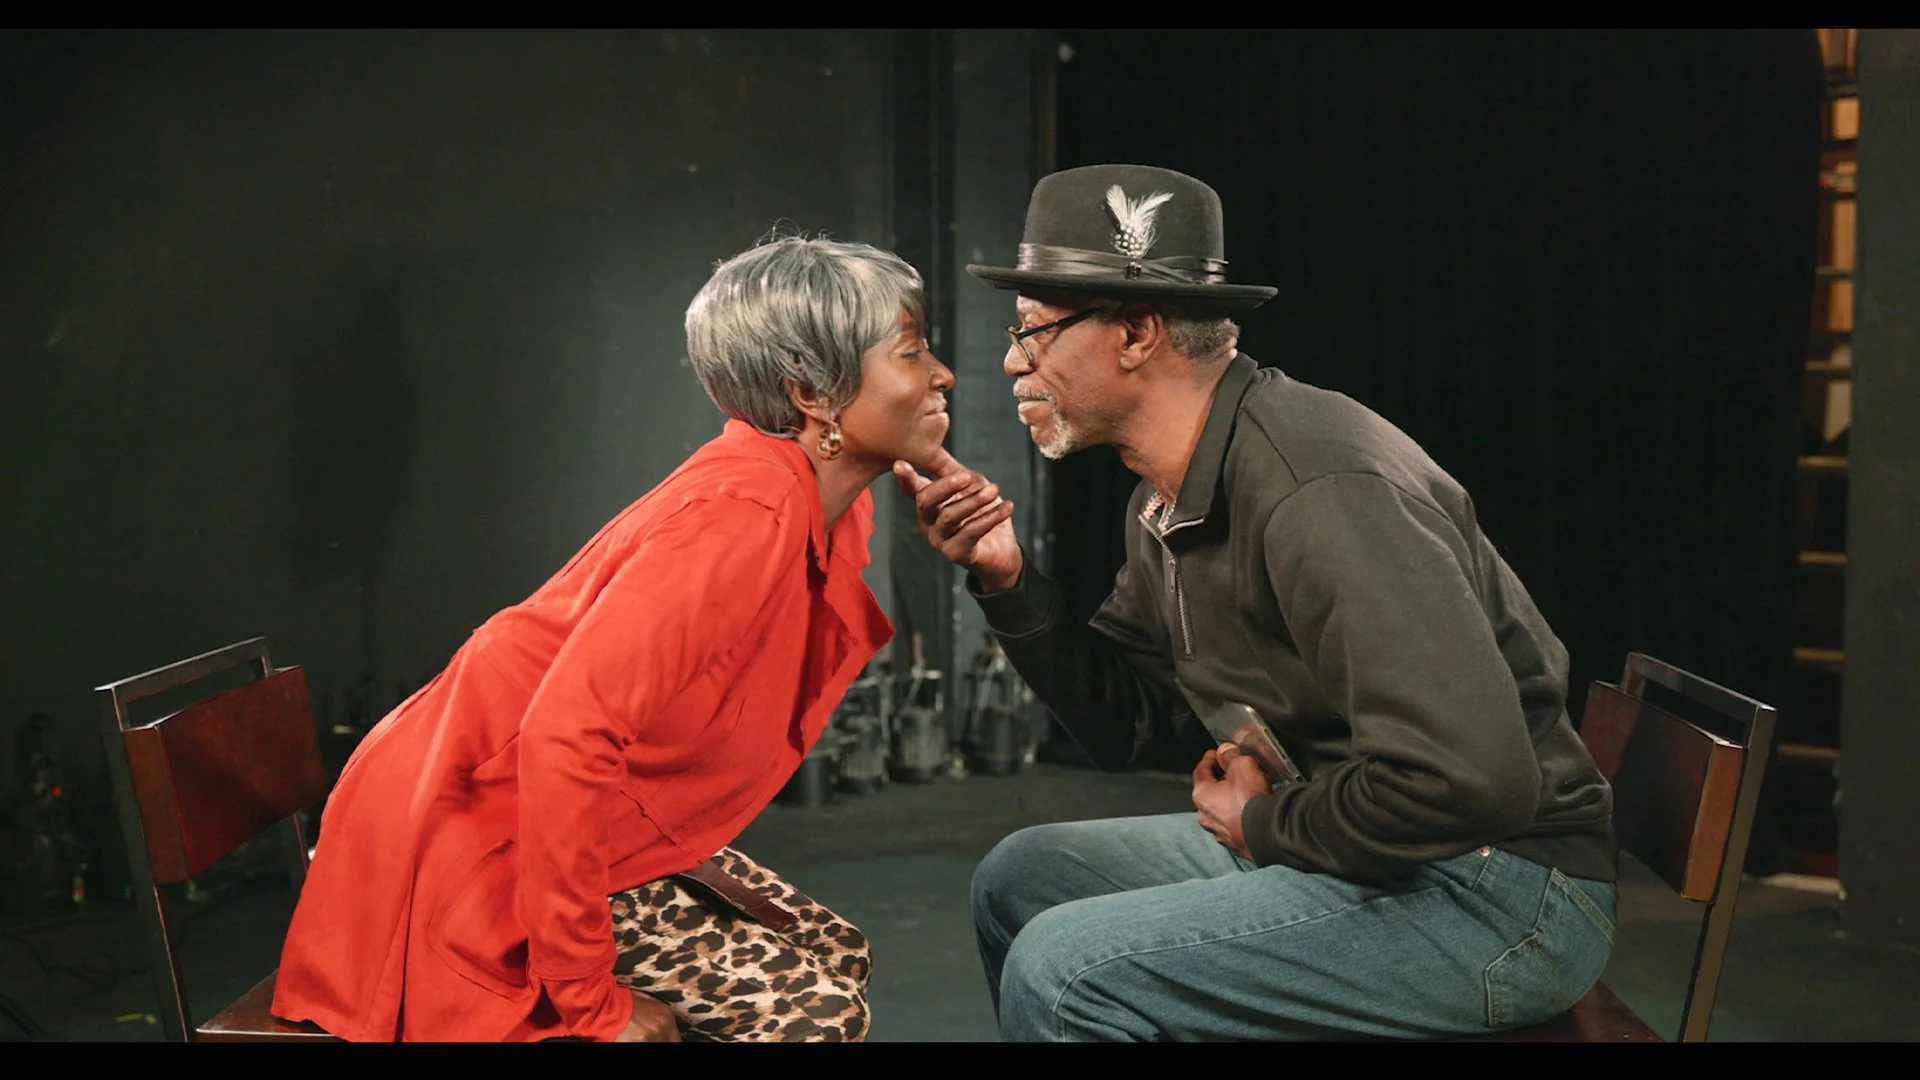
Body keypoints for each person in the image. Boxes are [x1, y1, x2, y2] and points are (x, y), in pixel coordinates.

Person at [894, 164, 1619, 1041]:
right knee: (1022, 877)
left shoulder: (1319, 488)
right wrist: (1006, 581)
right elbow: (1130, 723)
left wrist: (1269, 821)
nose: (1011, 358)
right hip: (1367, 845)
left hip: (1495, 894)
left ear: (1135, 332)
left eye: (1034, 330)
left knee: (1068, 971)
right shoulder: (1167, 495)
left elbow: (1474, 781)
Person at [271, 233, 954, 1042]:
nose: (941, 373)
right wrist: (591, 1001)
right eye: (911, 353)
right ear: (811, 390)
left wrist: (950, 502)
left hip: (561, 808)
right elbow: (564, 735)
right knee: (817, 1018)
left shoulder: (808, 487)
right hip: (476, 830)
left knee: (834, 953)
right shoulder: (745, 515)